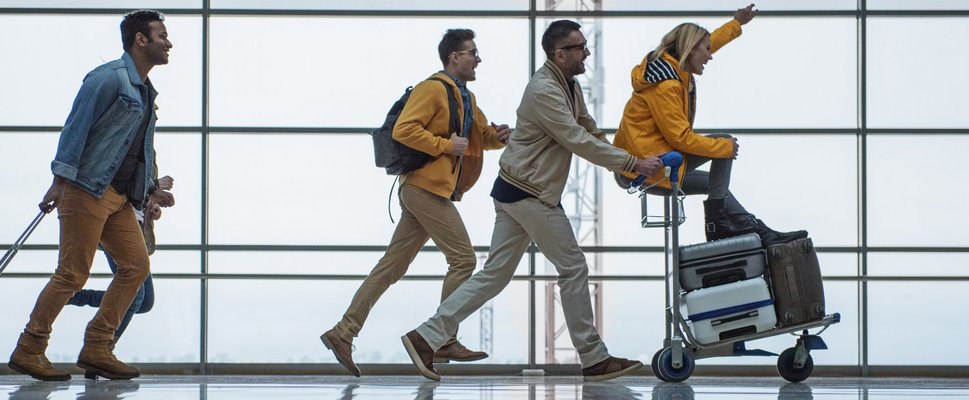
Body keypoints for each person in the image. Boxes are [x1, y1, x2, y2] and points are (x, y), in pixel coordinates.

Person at [400, 20, 663, 382]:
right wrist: (633, 164)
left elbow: (588, 129)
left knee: (493, 275)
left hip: (516, 189)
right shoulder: (544, 90)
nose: (587, 52)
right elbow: (575, 139)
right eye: (580, 47)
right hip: (530, 193)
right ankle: (594, 358)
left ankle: (425, 337)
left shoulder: (569, 86)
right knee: (573, 266)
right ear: (560, 53)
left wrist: (624, 161)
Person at [320, 28, 511, 377]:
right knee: (463, 259)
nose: (478, 59)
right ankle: (442, 337)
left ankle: (343, 332)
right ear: (455, 57)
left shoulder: (465, 97)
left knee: (391, 266)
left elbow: (477, 137)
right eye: (473, 53)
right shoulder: (432, 89)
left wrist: (497, 137)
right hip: (425, 188)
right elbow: (404, 130)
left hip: (431, 190)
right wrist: (444, 146)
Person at [8, 9, 171, 382]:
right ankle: (29, 348)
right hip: (86, 189)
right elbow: (75, 128)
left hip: (118, 197)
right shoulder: (108, 78)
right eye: (162, 35)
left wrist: (150, 190)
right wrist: (60, 179)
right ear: (140, 40)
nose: (169, 43)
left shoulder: (145, 92)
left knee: (136, 266)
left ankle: (98, 347)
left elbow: (138, 149)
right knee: (72, 274)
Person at [611, 4, 806, 247]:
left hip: (659, 155)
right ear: (690, 50)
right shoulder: (667, 85)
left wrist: (736, 24)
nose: (710, 55)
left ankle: (746, 227)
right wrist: (724, 148)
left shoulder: (675, 68)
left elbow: (709, 41)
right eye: (705, 50)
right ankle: (722, 223)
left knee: (711, 181)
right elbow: (680, 138)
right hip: (643, 166)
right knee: (722, 143)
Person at [66, 175, 174, 344]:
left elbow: (138, 195)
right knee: (135, 297)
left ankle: (77, 297)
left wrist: (151, 208)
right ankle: (101, 345)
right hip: (118, 226)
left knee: (145, 302)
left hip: (136, 229)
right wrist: (155, 186)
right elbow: (119, 181)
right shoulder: (128, 148)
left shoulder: (148, 151)